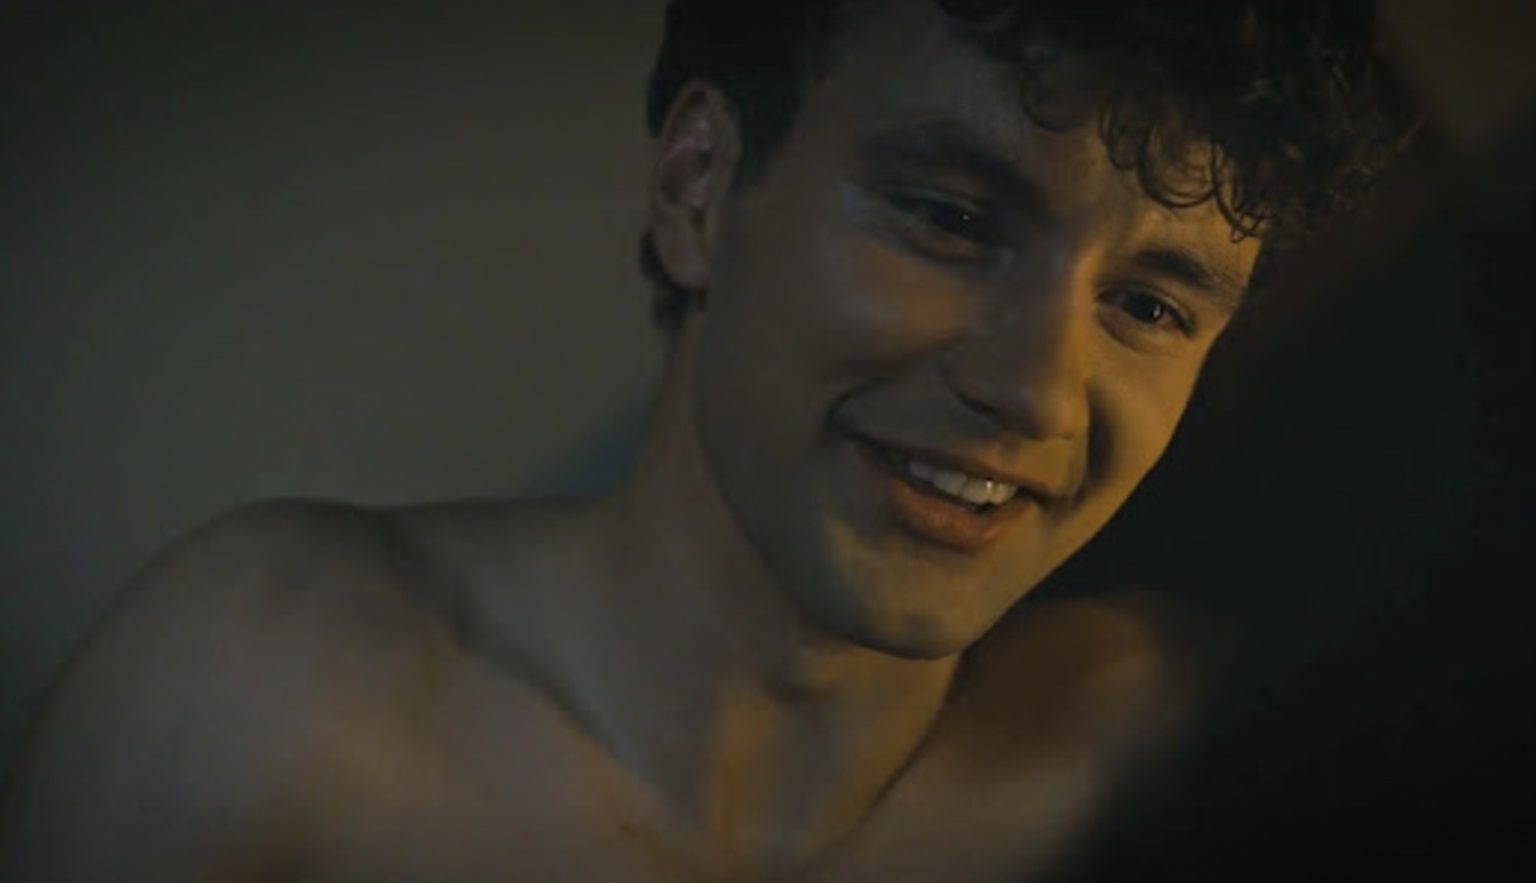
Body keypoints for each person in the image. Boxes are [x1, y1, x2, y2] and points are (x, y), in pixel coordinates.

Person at [0, 1, 1415, 879]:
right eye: (951, 219)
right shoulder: (262, 694)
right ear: (697, 191)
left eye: (1152, 304)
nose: (1040, 395)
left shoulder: (1137, 749)